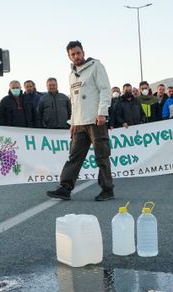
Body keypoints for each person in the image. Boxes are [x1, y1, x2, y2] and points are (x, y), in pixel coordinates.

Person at [46, 40, 114, 202]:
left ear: (83, 52)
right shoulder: (71, 75)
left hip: (96, 121)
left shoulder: (95, 66)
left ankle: (107, 189)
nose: (76, 56)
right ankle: (65, 188)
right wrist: (73, 122)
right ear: (69, 56)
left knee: (101, 157)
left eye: (78, 53)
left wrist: (102, 113)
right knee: (74, 157)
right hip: (79, 124)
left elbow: (105, 90)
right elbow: (74, 102)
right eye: (73, 54)